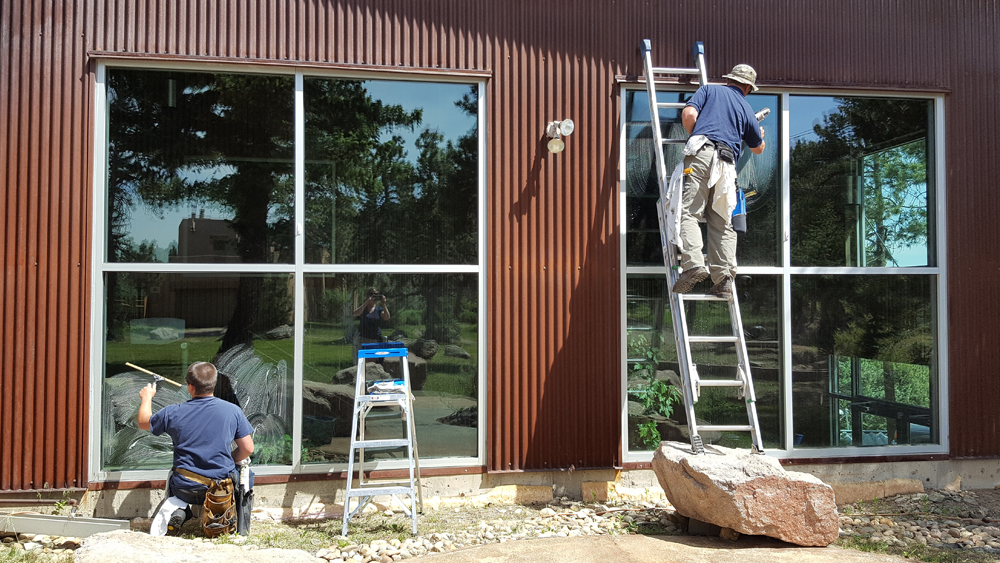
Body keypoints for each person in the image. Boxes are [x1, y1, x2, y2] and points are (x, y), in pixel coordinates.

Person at [672, 64, 766, 298]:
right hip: (727, 164)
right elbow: (758, 149)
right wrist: (758, 134)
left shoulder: (709, 90)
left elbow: (689, 115)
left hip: (702, 154)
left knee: (689, 212)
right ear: (747, 87)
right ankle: (723, 280)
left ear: (729, 80)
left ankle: (693, 265)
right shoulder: (745, 107)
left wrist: (697, 136)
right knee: (722, 219)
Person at [138, 361, 254, 536]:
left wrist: (147, 398)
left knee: (177, 478)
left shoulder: (173, 412)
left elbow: (143, 422)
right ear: (214, 384)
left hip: (185, 487)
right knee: (248, 475)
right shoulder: (232, 411)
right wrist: (229, 459)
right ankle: (230, 515)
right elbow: (247, 448)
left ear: (189, 387)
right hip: (221, 487)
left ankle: (181, 509)